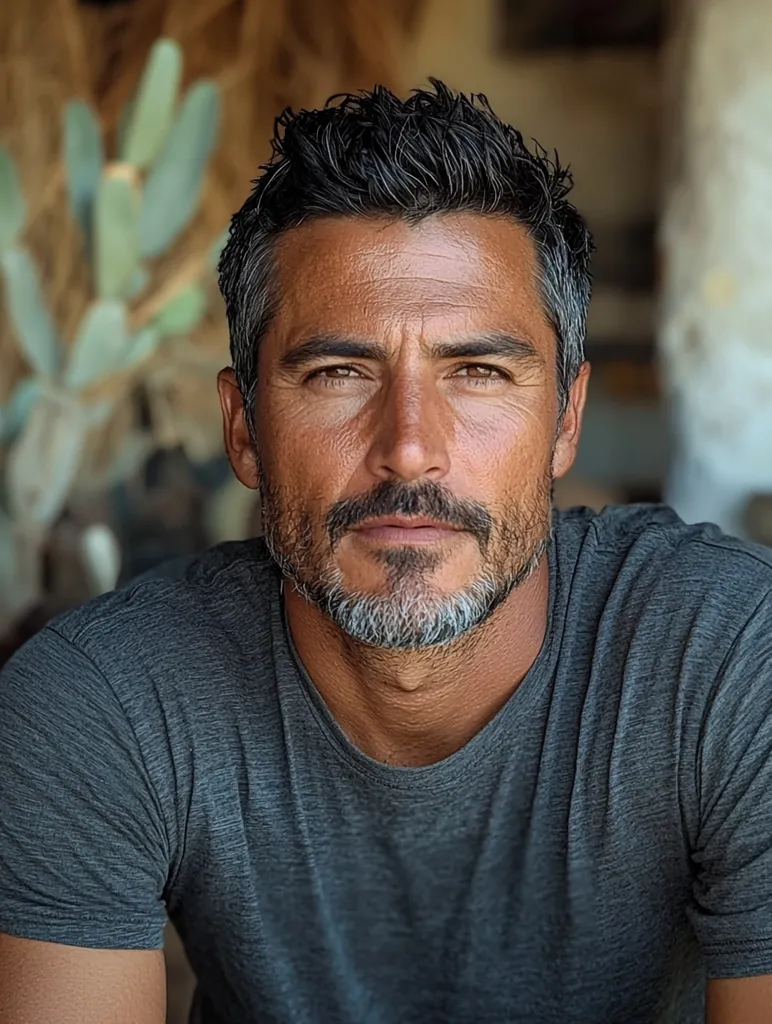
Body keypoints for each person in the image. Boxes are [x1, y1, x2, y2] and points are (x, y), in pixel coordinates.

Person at [1, 81, 771, 1024]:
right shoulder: (102, 703)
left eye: (478, 372)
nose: (409, 445)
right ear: (243, 428)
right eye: (338, 372)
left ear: (565, 420)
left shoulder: (734, 662)